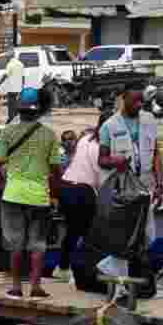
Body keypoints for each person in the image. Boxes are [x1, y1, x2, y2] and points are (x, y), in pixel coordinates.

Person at [0, 88, 62, 299]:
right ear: (39, 109)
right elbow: (55, 170)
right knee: (38, 244)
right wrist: (55, 195)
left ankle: (16, 287)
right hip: (39, 196)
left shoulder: (7, 132)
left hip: (13, 194)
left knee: (15, 243)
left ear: (19, 109)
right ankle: (35, 287)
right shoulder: (50, 135)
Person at [54, 112, 108, 283]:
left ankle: (62, 268)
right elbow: (102, 177)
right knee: (90, 235)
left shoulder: (86, 139)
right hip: (82, 191)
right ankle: (85, 272)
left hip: (66, 186)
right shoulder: (100, 147)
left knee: (73, 231)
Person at [98, 82, 163, 209]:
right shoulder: (109, 126)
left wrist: (160, 185)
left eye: (141, 100)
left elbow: (156, 154)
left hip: (147, 186)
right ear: (124, 98)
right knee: (126, 227)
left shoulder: (149, 119)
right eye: (135, 101)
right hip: (123, 189)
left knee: (147, 226)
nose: (139, 104)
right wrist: (115, 161)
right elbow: (102, 160)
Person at [0, 52, 24, 124]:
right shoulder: (20, 64)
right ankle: (16, 116)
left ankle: (10, 118)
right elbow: (23, 76)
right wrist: (22, 86)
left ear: (9, 57)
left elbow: (5, 75)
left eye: (6, 57)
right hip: (18, 86)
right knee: (16, 102)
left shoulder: (10, 64)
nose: (6, 59)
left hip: (11, 87)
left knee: (10, 103)